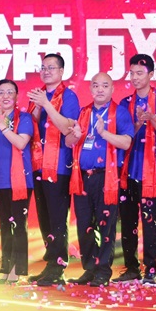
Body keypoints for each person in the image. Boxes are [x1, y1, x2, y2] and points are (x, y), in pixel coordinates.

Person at [65, 73, 133, 287]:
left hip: (106, 177)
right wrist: (75, 135)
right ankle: (89, 268)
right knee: (84, 224)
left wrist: (104, 133)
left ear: (112, 89)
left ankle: (103, 270)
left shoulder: (119, 112)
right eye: (96, 85)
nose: (100, 89)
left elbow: (126, 143)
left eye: (105, 85)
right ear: (91, 89)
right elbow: (68, 142)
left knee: (106, 225)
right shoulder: (84, 112)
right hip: (82, 177)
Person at [116, 54, 156, 285]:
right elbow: (124, 137)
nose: (134, 77)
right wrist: (139, 122)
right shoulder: (124, 103)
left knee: (150, 222)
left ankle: (150, 269)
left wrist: (153, 120)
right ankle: (131, 268)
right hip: (127, 171)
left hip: (152, 172)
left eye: (139, 73)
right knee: (128, 221)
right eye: (132, 73)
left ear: (151, 74)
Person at [26, 54, 80, 286]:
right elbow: (30, 127)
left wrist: (46, 104)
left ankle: (58, 266)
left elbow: (67, 126)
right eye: (43, 67)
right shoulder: (38, 95)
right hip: (38, 164)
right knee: (45, 217)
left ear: (61, 71)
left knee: (58, 218)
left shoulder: (68, 96)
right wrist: (37, 107)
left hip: (58, 166)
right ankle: (50, 263)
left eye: (51, 67)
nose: (46, 71)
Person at [0, 79, 33, 284]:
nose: (6, 96)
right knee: (4, 225)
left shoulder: (24, 118)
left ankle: (17, 270)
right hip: (1, 181)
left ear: (16, 96)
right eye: (1, 92)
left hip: (20, 182)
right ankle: (6, 268)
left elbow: (21, 142)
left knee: (18, 226)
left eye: (10, 92)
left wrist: (2, 127)